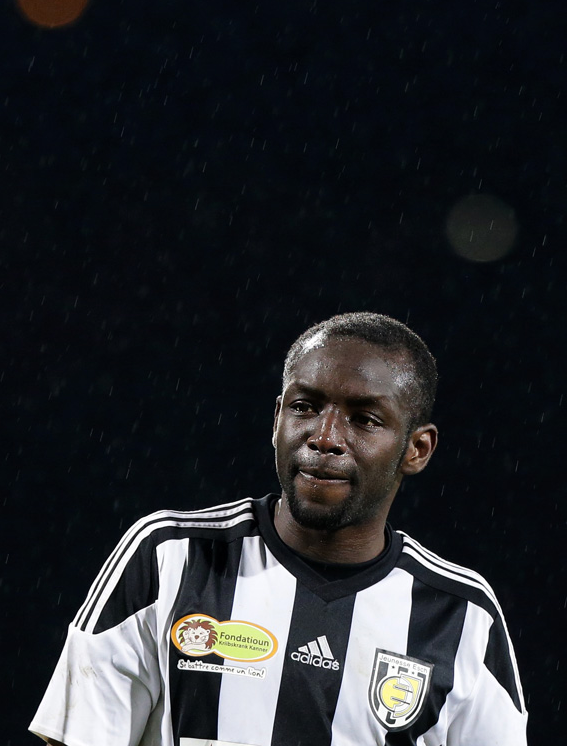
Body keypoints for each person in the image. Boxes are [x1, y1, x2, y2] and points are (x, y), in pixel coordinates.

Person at [29, 312, 527, 746]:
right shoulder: (169, 556)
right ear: (276, 419)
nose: (326, 437)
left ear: (417, 449)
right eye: (305, 407)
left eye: (364, 419)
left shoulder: (462, 615)